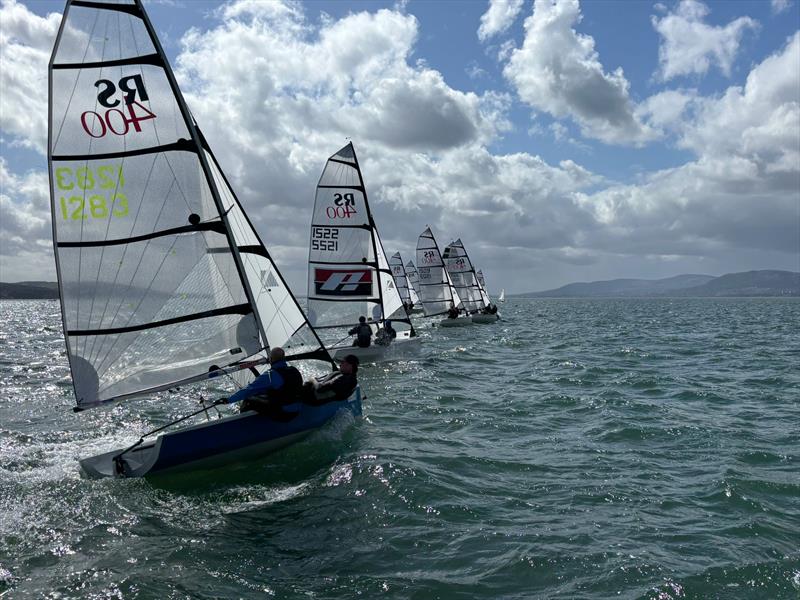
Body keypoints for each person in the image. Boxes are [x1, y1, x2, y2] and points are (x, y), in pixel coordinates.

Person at [225, 347, 303, 421]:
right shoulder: (294, 370)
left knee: (248, 400)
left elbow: (249, 390)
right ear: (284, 358)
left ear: (271, 359)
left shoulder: (270, 375)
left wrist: (228, 400)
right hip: (298, 409)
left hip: (284, 414)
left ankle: (247, 426)